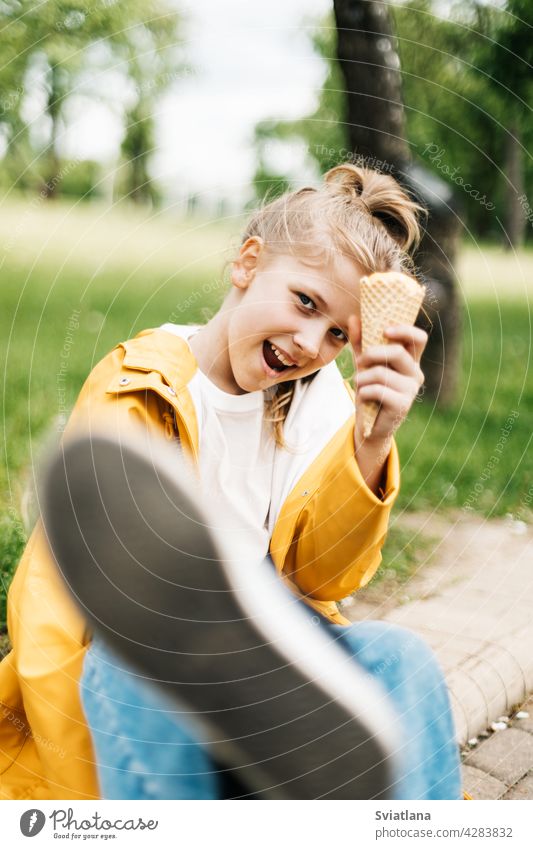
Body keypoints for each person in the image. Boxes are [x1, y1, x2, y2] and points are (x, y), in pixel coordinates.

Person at [0, 163, 462, 800]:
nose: (308, 344)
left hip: (265, 687)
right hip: (145, 703)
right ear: (248, 263)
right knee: (125, 664)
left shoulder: (325, 406)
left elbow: (323, 579)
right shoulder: (142, 386)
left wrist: (372, 439)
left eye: (337, 334)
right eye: (305, 302)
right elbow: (54, 605)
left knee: (402, 660)